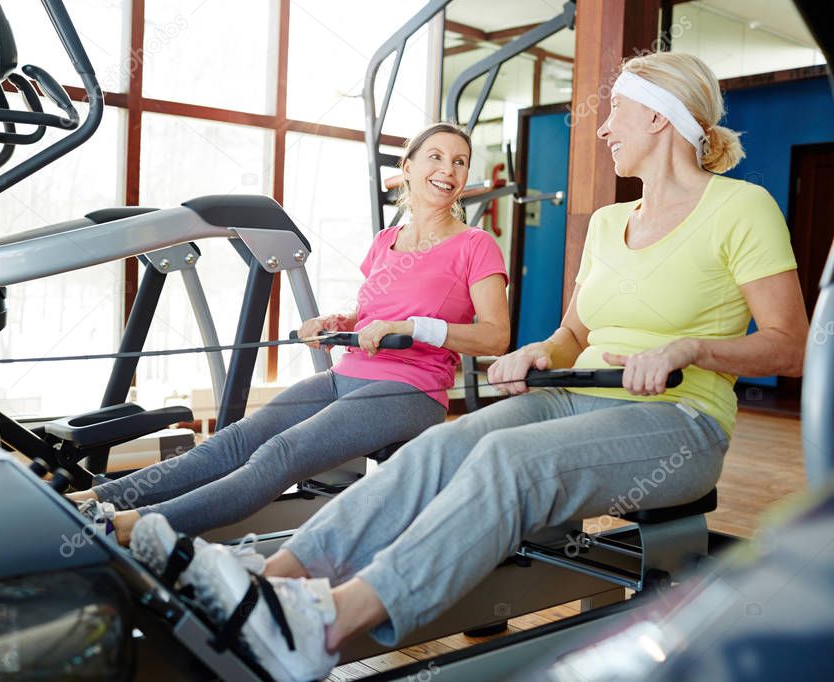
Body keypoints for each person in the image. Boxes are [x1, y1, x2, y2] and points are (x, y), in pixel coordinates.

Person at [128, 52, 810, 682]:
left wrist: (690, 349)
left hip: (677, 420)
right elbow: (574, 332)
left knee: (507, 460)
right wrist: (537, 352)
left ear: (657, 115)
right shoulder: (607, 221)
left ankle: (329, 624)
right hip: (571, 393)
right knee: (441, 445)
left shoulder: (738, 208)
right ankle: (271, 582)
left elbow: (789, 344)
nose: (604, 129)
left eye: (616, 113)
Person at [70, 122, 510, 542]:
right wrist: (339, 322)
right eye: (436, 157)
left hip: (411, 390)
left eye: (460, 161)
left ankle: (126, 527)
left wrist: (415, 328)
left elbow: (495, 336)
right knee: (234, 439)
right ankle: (89, 500)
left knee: (280, 453)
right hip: (346, 375)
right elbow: (372, 312)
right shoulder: (385, 240)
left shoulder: (475, 245)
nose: (448, 170)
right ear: (408, 167)